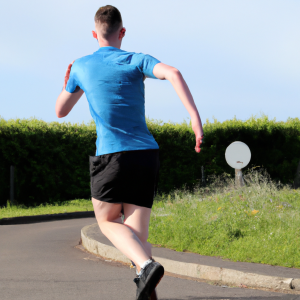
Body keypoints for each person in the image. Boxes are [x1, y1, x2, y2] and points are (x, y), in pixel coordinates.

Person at [55, 5, 204, 300]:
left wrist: (68, 83)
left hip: (112, 155)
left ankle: (147, 267)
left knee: (107, 222)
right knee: (136, 235)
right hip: (146, 154)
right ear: (122, 32)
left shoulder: (81, 65)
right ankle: (145, 285)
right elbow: (173, 72)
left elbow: (60, 111)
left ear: (94, 33)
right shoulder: (137, 60)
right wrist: (194, 120)